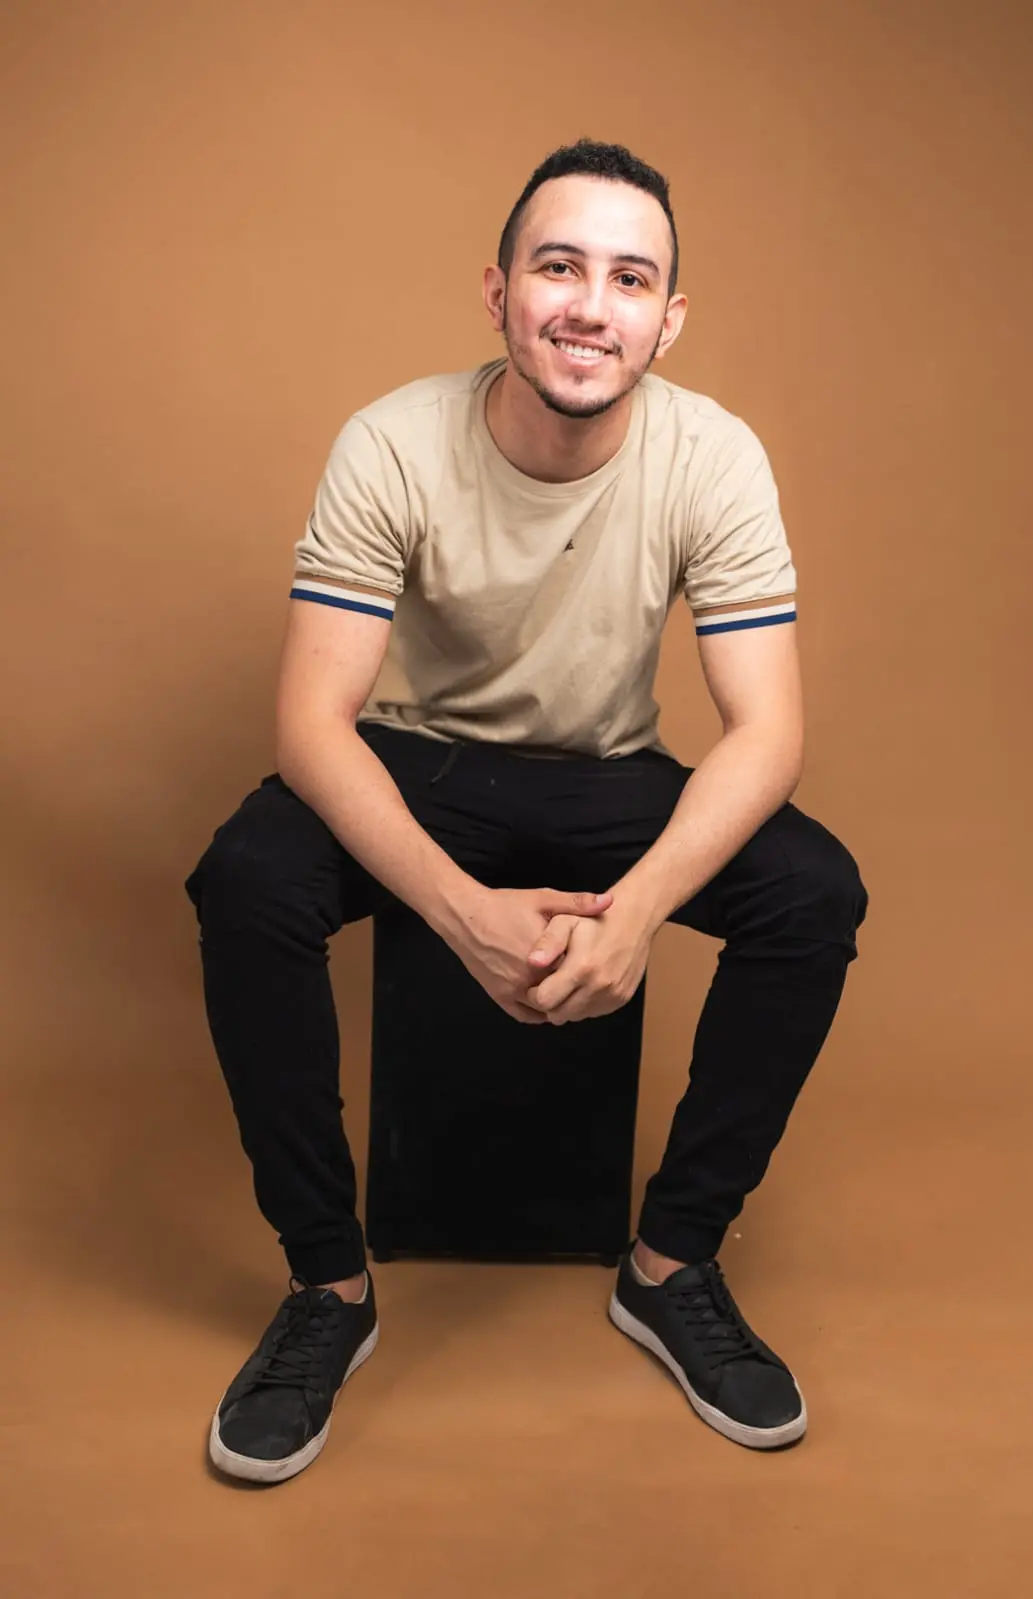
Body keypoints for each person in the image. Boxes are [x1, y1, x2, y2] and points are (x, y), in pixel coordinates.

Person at [186, 138, 869, 1485]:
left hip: (608, 773)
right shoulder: (389, 439)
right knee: (245, 876)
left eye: (629, 278)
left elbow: (767, 730)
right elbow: (313, 723)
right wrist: (462, 917)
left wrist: (643, 909)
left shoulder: (713, 456)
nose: (588, 305)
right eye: (558, 266)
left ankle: (669, 1265)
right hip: (418, 760)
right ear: (496, 290)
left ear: (666, 319)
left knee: (813, 890)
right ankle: (328, 1288)